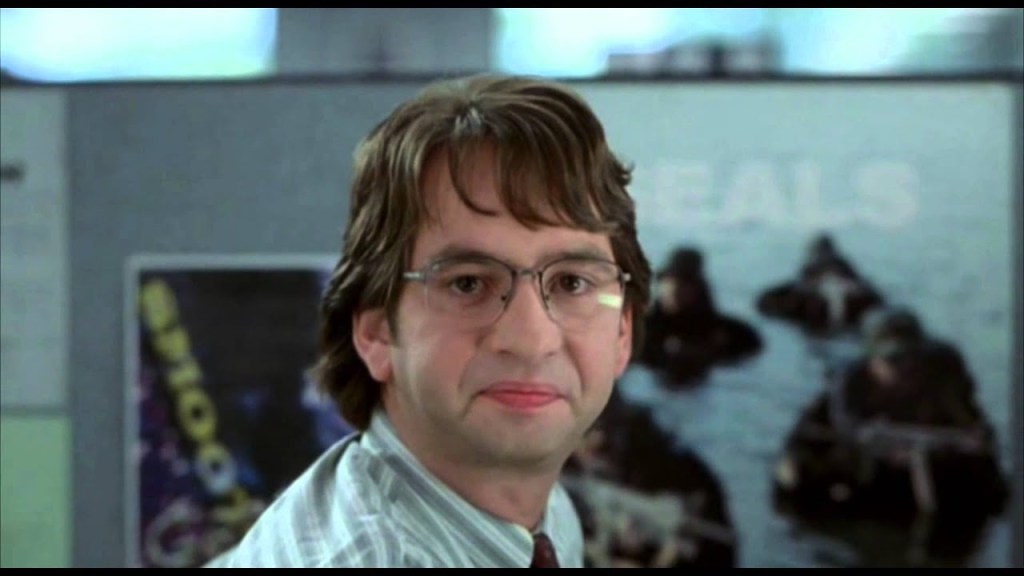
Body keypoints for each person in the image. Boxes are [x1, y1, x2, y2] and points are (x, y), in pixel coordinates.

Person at [209, 74, 652, 568]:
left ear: (623, 331)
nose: (532, 339)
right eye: (468, 284)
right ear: (376, 331)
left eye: (571, 282)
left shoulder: (544, 518)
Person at [639, 247, 761, 384]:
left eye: (685, 282)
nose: (675, 289)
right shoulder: (639, 330)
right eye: (669, 281)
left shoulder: (735, 334)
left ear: (699, 288)